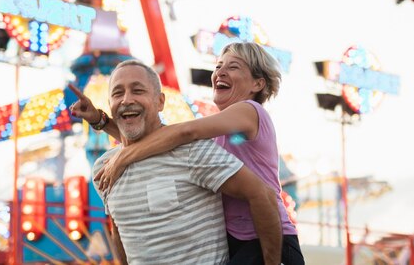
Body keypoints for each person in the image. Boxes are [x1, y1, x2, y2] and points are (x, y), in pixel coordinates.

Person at [70, 42, 305, 264]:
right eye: (218, 66)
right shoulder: (215, 131)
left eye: (233, 67)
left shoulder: (250, 111)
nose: (220, 72)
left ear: (258, 84)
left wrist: (124, 156)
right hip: (236, 237)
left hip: (268, 235)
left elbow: (183, 132)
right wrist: (101, 121)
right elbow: (154, 137)